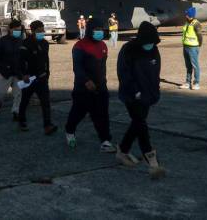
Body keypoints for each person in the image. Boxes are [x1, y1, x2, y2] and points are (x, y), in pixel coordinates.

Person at [115, 21, 165, 179]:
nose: (151, 45)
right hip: (132, 95)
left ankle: (122, 150)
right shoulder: (128, 49)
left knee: (137, 123)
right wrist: (135, 91)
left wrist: (154, 92)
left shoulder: (154, 50)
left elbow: (155, 73)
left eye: (153, 42)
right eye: (148, 42)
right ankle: (151, 160)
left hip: (148, 95)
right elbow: (123, 73)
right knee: (141, 124)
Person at [65, 18, 115, 152]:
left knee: (102, 114)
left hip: (101, 87)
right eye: (96, 30)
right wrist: (86, 81)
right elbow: (77, 67)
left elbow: (102, 67)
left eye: (101, 29)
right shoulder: (80, 46)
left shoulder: (103, 46)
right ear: (89, 31)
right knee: (78, 112)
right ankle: (70, 131)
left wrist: (102, 82)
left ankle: (105, 141)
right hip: (83, 87)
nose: (99, 32)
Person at [17, 20, 58, 135]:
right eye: (40, 30)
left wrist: (47, 72)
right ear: (34, 31)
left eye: (43, 30)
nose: (42, 32)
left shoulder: (45, 43)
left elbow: (46, 59)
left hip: (42, 77)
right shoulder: (26, 43)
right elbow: (21, 61)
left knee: (45, 102)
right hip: (29, 78)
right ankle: (22, 121)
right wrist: (23, 74)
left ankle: (47, 125)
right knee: (25, 100)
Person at [0, 19, 24, 120]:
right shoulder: (3, 40)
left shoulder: (21, 41)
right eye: (16, 29)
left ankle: (16, 111)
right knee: (0, 94)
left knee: (18, 94)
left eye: (19, 30)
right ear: (10, 29)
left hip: (18, 73)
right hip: (5, 72)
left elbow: (24, 57)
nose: (18, 31)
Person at [180, 7, 203, 90]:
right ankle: (187, 82)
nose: (185, 15)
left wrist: (199, 44)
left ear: (190, 15)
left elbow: (200, 36)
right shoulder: (187, 23)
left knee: (195, 65)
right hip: (185, 46)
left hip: (193, 47)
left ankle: (196, 83)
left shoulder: (196, 24)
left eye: (187, 14)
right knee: (188, 66)